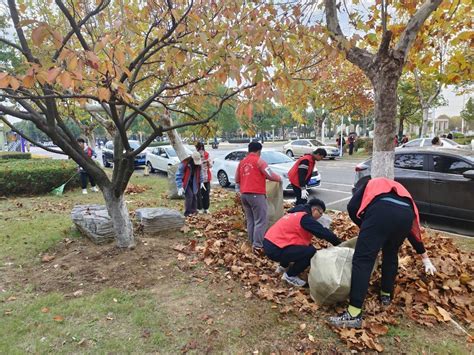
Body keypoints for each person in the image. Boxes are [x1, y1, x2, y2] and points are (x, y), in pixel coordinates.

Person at [328, 176, 437, 328]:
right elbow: (412, 231)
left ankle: (353, 314)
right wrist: (425, 258)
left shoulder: (368, 184)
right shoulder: (399, 189)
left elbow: (352, 207)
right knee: (391, 254)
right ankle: (386, 295)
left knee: (363, 260)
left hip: (381, 212)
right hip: (406, 216)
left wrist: (365, 226)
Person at [264, 198, 341, 287]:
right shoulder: (305, 218)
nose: (320, 217)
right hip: (275, 249)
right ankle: (290, 276)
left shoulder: (296, 213)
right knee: (310, 251)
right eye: (320, 214)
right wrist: (339, 244)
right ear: (315, 210)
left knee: (302, 246)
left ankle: (282, 267)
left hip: (269, 243)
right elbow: (323, 232)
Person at [235, 142, 282, 254]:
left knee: (250, 220)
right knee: (261, 220)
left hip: (244, 195)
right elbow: (270, 175)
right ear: (259, 151)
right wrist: (279, 178)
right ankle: (257, 246)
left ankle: (251, 242)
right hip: (256, 195)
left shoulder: (242, 162)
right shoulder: (259, 161)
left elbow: (237, 179)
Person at [175, 151, 205, 217]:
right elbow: (178, 175)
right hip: (185, 182)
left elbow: (200, 173)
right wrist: (180, 186)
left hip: (194, 181)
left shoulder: (198, 165)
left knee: (194, 196)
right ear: (192, 158)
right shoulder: (185, 163)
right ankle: (187, 213)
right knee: (189, 196)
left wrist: (202, 181)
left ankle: (194, 211)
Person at [195, 142, 212, 214]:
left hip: (206, 177)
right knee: (198, 194)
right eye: (199, 148)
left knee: (206, 193)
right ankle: (199, 208)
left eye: (202, 148)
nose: (201, 150)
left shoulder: (207, 154)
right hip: (198, 178)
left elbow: (210, 165)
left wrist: (208, 162)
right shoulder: (195, 155)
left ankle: (206, 208)